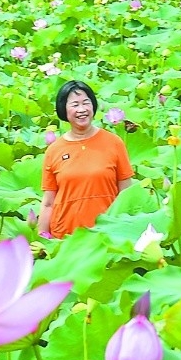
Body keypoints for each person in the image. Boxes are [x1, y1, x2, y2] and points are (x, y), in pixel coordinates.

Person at [38, 80, 136, 240]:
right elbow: (48, 203)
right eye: (75, 105)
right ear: (64, 109)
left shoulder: (114, 142)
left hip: (107, 234)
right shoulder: (54, 150)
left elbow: (126, 195)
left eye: (86, 103)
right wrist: (42, 239)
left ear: (93, 106)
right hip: (65, 236)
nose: (82, 109)